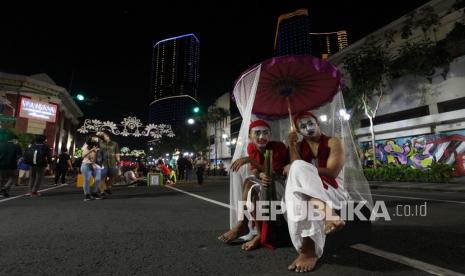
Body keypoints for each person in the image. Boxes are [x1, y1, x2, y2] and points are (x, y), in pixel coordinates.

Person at [285, 111, 348, 273]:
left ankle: (308, 250)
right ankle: (328, 214)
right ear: (299, 132)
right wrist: (292, 145)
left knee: (298, 169)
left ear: (318, 123)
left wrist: (304, 169)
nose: (308, 128)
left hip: (333, 189)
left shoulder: (334, 142)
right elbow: (294, 171)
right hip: (311, 191)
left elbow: (332, 172)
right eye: (303, 126)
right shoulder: (300, 146)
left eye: (310, 123)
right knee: (298, 171)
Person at [218, 119, 288, 251]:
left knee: (255, 189)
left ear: (270, 134)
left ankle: (257, 234)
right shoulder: (251, 147)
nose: (262, 137)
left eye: (266, 133)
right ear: (250, 136)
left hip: (281, 181)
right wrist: (260, 174)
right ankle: (244, 224)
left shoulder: (278, 147)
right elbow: (255, 171)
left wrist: (250, 160)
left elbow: (274, 172)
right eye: (257, 133)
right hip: (266, 179)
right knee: (249, 182)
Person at [0, 130, 22, 198]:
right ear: (13, 139)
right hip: (12, 165)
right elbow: (20, 156)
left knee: (1, 178)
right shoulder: (16, 146)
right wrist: (18, 163)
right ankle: (5, 188)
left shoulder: (1, 144)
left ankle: (2, 191)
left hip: (1, 164)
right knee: (13, 177)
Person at [98, 130, 120, 196]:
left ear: (108, 135)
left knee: (113, 177)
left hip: (113, 162)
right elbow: (92, 138)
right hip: (102, 163)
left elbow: (117, 153)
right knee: (102, 178)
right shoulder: (100, 143)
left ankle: (107, 188)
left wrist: (118, 161)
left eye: (103, 135)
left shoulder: (115, 143)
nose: (102, 136)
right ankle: (102, 192)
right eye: (102, 135)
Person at [80, 136, 102, 201]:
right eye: (94, 139)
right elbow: (83, 156)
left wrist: (93, 162)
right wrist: (91, 150)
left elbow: (95, 158)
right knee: (86, 180)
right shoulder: (86, 146)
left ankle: (94, 192)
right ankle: (87, 195)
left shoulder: (97, 147)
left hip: (94, 165)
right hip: (86, 165)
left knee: (98, 178)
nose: (96, 140)